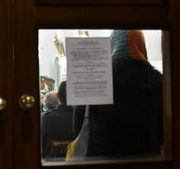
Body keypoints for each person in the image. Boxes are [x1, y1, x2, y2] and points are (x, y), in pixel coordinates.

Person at [68, 30, 163, 160]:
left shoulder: (96, 79)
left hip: (101, 163)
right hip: (146, 164)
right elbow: (165, 130)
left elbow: (78, 126)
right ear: (141, 45)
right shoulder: (156, 80)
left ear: (111, 46)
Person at [41, 81, 74, 159]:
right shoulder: (81, 118)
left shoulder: (47, 118)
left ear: (58, 96)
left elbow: (42, 146)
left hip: (51, 164)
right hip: (76, 163)